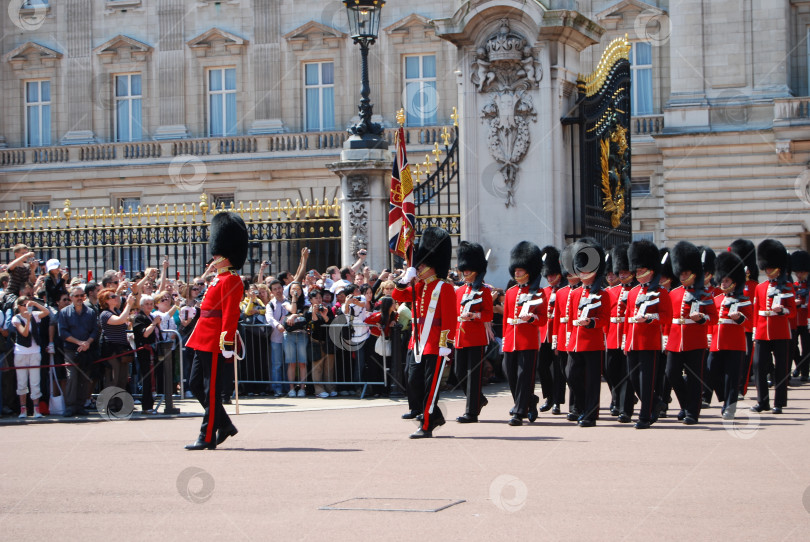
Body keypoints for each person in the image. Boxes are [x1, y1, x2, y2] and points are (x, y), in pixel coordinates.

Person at [185, 211, 248, 450]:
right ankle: (225, 425)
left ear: (226, 255)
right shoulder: (218, 278)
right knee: (194, 385)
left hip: (215, 340)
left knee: (211, 391)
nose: (214, 257)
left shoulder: (232, 279)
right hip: (202, 335)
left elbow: (231, 314)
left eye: (217, 254)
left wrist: (227, 342)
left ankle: (207, 435)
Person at [391, 227, 457, 438]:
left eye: (421, 265)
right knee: (413, 381)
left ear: (432, 267)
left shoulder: (443, 288)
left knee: (431, 386)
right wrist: (403, 279)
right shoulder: (419, 287)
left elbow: (449, 318)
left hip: (436, 342)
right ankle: (433, 414)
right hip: (418, 341)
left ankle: (427, 424)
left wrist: (445, 344)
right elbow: (397, 295)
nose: (418, 269)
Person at [665, 241, 718, 425]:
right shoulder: (673, 293)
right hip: (674, 339)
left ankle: (692, 413)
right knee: (671, 373)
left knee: (695, 377)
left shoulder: (704, 295)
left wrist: (702, 319)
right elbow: (668, 318)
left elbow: (714, 318)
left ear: (694, 273)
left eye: (686, 273)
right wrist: (665, 338)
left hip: (695, 340)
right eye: (681, 272)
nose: (683, 276)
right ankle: (686, 404)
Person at [624, 240, 672, 429]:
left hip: (650, 342)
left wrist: (651, 318)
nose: (637, 274)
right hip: (633, 341)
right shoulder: (633, 292)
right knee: (634, 379)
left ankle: (644, 416)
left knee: (645, 381)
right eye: (636, 270)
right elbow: (629, 317)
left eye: (641, 270)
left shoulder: (661, 292)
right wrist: (626, 342)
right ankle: (655, 403)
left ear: (651, 271)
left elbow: (667, 317)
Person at [564, 238, 610, 427]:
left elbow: (605, 319)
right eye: (580, 269)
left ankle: (590, 414)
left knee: (592, 381)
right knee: (571, 375)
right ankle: (583, 408)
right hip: (575, 341)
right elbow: (570, 319)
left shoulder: (603, 294)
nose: (582, 273)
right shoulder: (574, 294)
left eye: (585, 269)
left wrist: (592, 322)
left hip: (593, 342)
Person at [502, 241, 547, 426]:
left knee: (523, 376)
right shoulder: (511, 292)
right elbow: (506, 317)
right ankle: (529, 401)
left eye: (520, 270)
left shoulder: (539, 293)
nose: (517, 273)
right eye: (516, 270)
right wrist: (505, 339)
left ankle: (519, 412)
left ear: (529, 271)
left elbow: (543, 319)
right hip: (511, 339)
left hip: (528, 340)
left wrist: (532, 319)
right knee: (510, 375)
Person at [751, 239, 796, 414]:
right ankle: (763, 402)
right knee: (759, 366)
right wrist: (755, 331)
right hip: (762, 331)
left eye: (771, 268)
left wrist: (782, 309)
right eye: (767, 268)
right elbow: (756, 311)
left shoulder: (788, 287)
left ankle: (779, 402)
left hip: (781, 332)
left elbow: (792, 312)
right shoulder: (760, 288)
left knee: (782, 368)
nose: (768, 271)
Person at [453, 241, 493, 423]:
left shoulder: (484, 291)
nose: (466, 272)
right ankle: (479, 399)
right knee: (459, 372)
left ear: (476, 270)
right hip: (460, 336)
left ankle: (472, 412)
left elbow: (488, 314)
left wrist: (475, 315)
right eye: (464, 269)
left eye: (469, 270)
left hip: (476, 337)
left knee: (473, 374)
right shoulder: (459, 291)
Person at [709, 251, 753, 419]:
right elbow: (712, 321)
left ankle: (730, 407)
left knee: (732, 378)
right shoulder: (717, 300)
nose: (723, 282)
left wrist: (740, 318)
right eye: (722, 280)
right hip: (716, 343)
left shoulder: (743, 300)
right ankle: (724, 398)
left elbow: (750, 322)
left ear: (734, 282)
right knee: (711, 370)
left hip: (735, 343)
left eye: (727, 280)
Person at [604, 243, 635, 423]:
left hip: (628, 334)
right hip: (612, 335)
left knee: (627, 373)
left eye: (624, 273)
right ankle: (617, 398)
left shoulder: (637, 291)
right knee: (610, 371)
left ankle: (625, 408)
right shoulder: (610, 291)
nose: (621, 275)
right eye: (620, 273)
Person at [58, 285, 99, 417]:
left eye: (81, 296)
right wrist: (78, 342)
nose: (79, 298)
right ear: (71, 297)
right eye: (76, 296)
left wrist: (87, 343)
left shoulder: (91, 312)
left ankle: (81, 405)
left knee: (84, 378)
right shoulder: (64, 312)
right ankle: (70, 406)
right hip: (71, 350)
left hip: (86, 350)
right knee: (72, 377)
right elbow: (63, 332)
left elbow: (95, 330)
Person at [11, 296, 48, 418]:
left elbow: (46, 312)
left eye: (28, 305)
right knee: (22, 382)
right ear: (19, 307)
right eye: (24, 305)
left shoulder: (35, 315)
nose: (27, 307)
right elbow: (25, 333)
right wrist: (27, 320)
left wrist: (36, 304)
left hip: (34, 351)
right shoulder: (16, 318)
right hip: (21, 352)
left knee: (35, 381)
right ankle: (23, 410)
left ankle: (36, 410)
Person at [98, 288, 136, 394]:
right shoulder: (105, 314)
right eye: (113, 297)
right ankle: (110, 405)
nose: (116, 298)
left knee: (122, 379)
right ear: (106, 300)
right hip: (112, 350)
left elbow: (123, 319)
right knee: (112, 379)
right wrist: (128, 305)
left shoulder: (117, 311)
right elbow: (120, 320)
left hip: (122, 348)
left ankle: (120, 405)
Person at [132, 295, 161, 413]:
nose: (149, 306)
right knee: (147, 378)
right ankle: (146, 405)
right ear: (142, 305)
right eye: (147, 304)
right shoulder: (139, 317)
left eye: (151, 304)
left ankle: (150, 404)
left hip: (153, 350)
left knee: (152, 378)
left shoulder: (151, 316)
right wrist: (154, 323)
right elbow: (145, 334)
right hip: (144, 351)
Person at [305, 289, 335, 398]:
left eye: (320, 297)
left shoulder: (328, 309)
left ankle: (330, 388)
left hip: (328, 340)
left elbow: (331, 323)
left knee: (329, 367)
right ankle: (319, 389)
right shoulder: (308, 312)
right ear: (311, 300)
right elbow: (314, 325)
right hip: (316, 341)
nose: (319, 300)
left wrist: (325, 315)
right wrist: (314, 313)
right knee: (317, 367)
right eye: (316, 298)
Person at [283, 281, 309, 397]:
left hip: (302, 334)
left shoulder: (306, 303)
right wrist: (294, 298)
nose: (296, 291)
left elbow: (305, 315)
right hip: (289, 335)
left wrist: (294, 316)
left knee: (302, 363)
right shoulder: (285, 302)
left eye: (298, 289)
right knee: (291, 363)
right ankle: (291, 388)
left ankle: (302, 388)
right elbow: (292, 310)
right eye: (293, 289)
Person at [265, 279, 288, 397]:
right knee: (277, 364)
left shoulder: (288, 301)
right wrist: (277, 325)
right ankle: (277, 388)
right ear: (271, 292)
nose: (278, 291)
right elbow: (269, 318)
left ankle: (288, 387)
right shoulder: (270, 304)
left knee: (288, 364)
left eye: (279, 288)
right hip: (276, 338)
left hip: (288, 337)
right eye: (275, 289)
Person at [790, 250, 809, 381]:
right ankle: (799, 366)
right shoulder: (793, 286)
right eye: (797, 272)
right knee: (793, 347)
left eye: (802, 272)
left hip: (806, 320)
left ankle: (804, 372)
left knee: (807, 347)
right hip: (795, 320)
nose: (799, 275)